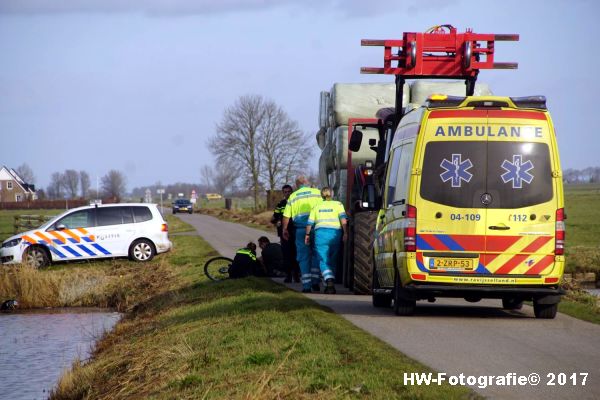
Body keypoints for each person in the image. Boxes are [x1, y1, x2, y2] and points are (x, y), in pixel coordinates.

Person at [282, 176, 322, 293]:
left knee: (303, 257)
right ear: (307, 183)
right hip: (316, 228)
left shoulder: (293, 196)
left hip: (301, 230)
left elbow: (286, 216)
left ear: (297, 185)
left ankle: (306, 286)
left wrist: (285, 229)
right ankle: (315, 282)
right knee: (316, 254)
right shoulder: (317, 193)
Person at [305, 187, 348, 294]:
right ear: (332, 194)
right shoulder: (338, 205)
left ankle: (329, 281)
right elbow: (343, 220)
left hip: (320, 235)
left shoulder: (316, 206)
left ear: (321, 195)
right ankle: (330, 283)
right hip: (335, 235)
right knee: (332, 259)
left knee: (323, 260)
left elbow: (310, 223)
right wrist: (346, 233)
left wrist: (307, 235)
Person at [271, 184, 300, 283]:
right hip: (284, 234)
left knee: (296, 254)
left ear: (292, 192)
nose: (287, 193)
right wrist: (277, 221)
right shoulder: (281, 204)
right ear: (283, 193)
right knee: (286, 255)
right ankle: (288, 275)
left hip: (295, 231)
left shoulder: (296, 202)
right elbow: (274, 217)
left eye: (289, 191)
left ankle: (296, 275)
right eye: (285, 192)